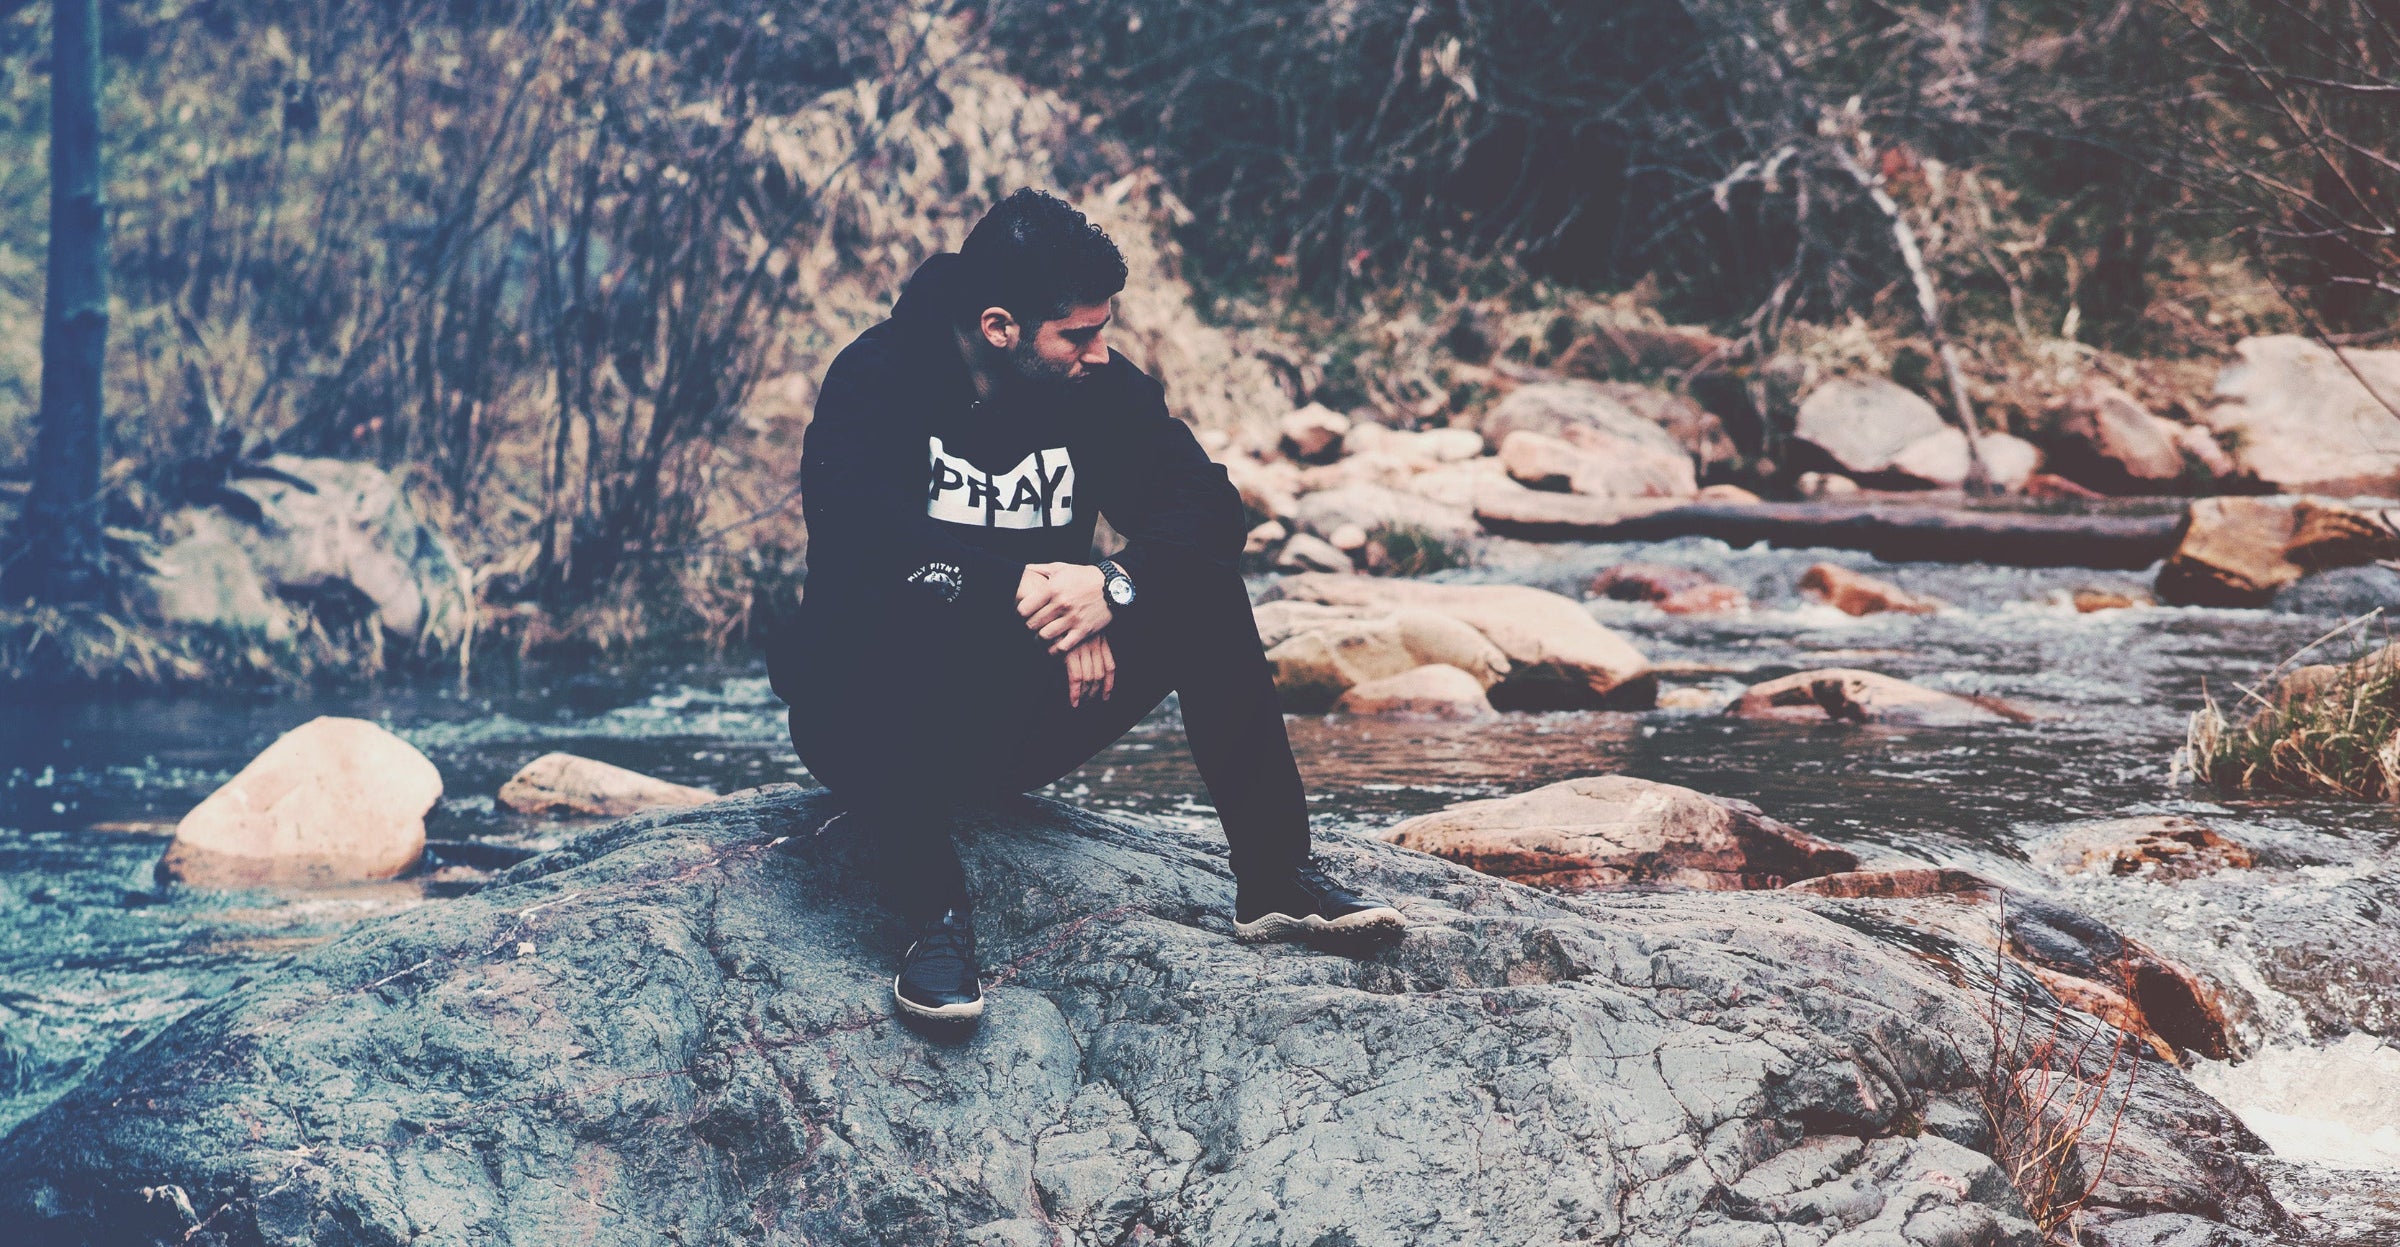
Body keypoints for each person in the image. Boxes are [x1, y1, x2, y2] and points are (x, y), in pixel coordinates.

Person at [767, 188, 1402, 1027]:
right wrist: (1024, 592)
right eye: (1078, 334)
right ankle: (935, 920)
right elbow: (862, 541)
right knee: (919, 591)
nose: (1100, 352)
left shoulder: (1093, 388)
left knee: (1204, 590)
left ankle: (1274, 878)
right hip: (864, 720)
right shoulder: (877, 380)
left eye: (1103, 329)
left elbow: (1210, 510)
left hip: (1009, 715)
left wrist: (1108, 586)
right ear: (1000, 327)